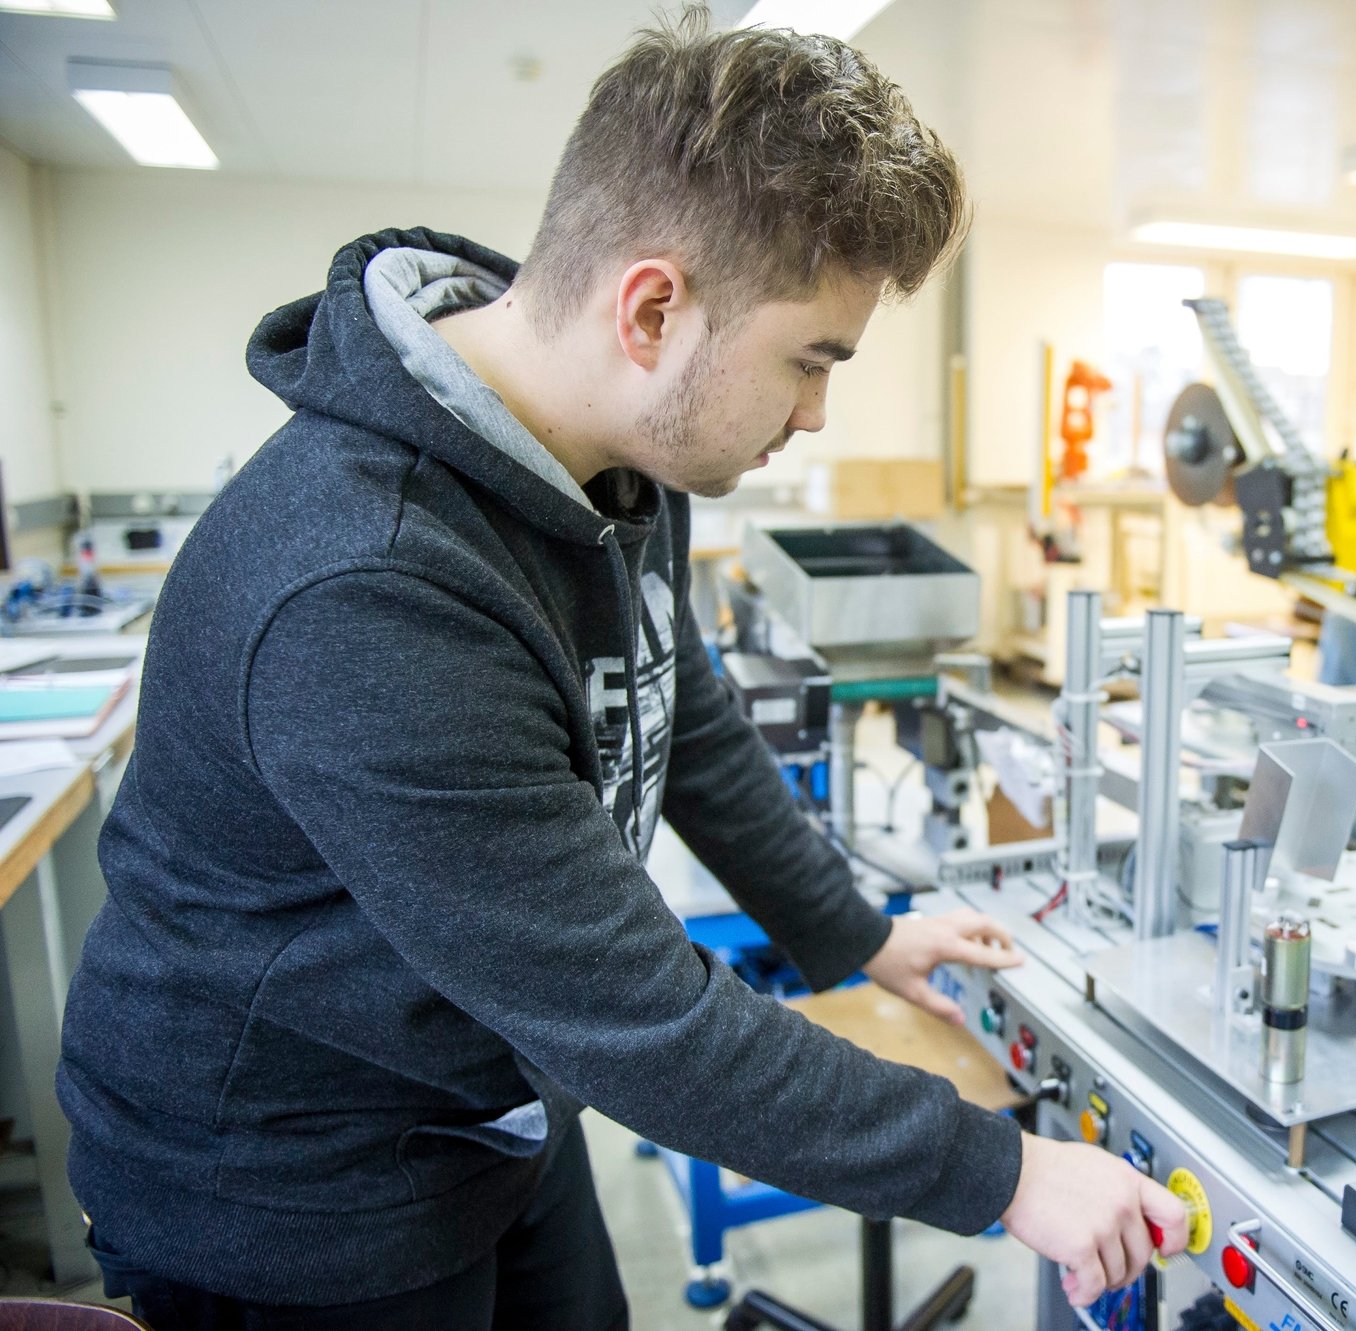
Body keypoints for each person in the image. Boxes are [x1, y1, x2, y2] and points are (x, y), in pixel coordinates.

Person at [56, 13, 1187, 1329]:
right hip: (292, 1193)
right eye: (810, 360)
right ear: (652, 308)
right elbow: (642, 1019)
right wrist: (1000, 1170)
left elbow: (682, 708)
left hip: (493, 1110)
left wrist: (854, 934)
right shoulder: (367, 586)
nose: (816, 415)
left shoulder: (619, 463)